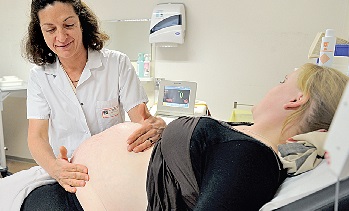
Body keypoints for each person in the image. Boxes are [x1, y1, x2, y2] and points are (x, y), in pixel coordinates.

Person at [19, 63, 349, 210]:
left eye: (283, 80)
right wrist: (164, 129)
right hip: (66, 186)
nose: (274, 85)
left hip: (72, 204)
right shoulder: (239, 135)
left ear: (296, 100)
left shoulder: (252, 158)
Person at [1, 0, 165, 208]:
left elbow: (142, 121)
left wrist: (156, 127)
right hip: (67, 171)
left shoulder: (116, 64)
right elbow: (37, 136)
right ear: (40, 33)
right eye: (50, 29)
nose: (60, 37)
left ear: (82, 23)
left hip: (115, 168)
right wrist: (55, 168)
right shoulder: (40, 77)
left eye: (68, 25)